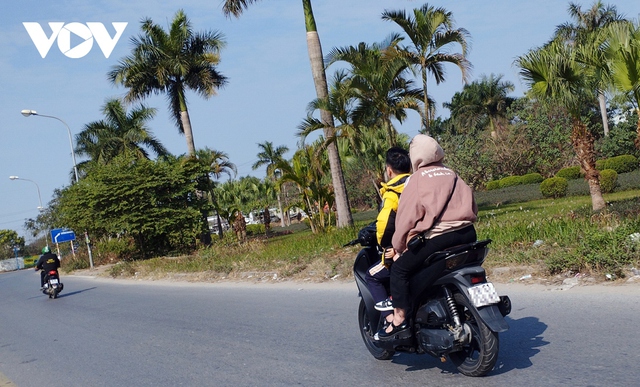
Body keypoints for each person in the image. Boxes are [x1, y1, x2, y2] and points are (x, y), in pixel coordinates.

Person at [376, 134, 478, 340]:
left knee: (399, 270)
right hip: (468, 234)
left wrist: (397, 247)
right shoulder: (453, 174)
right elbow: (473, 204)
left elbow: (405, 218)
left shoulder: (417, 180)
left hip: (439, 239)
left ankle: (398, 320)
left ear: (415, 156)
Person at [365, 147, 411, 328]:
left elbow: (383, 225)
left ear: (389, 169)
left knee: (371, 276)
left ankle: (390, 319)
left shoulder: (392, 193)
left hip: (403, 247)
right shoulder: (416, 184)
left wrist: (384, 245)